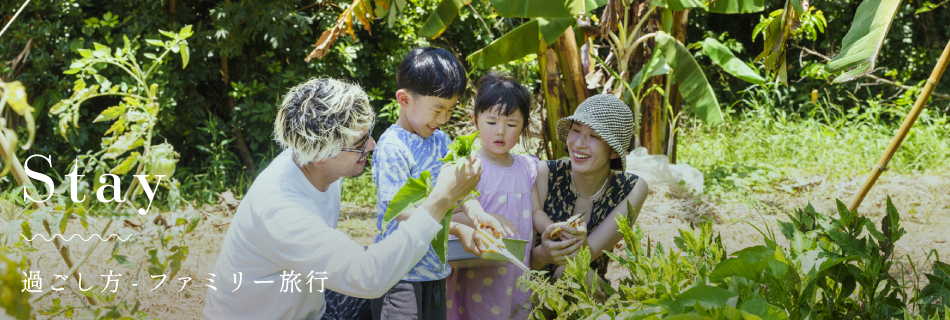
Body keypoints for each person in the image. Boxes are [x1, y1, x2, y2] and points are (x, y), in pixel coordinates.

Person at [201, 78, 482, 320]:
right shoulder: (282, 210)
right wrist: (440, 200)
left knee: (395, 283)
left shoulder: (313, 164)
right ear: (322, 156)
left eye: (368, 136)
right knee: (383, 279)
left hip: (309, 307)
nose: (372, 146)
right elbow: (369, 277)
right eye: (360, 144)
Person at [370, 47, 508, 320]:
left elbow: (458, 193)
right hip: (399, 275)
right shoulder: (393, 147)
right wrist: (457, 229)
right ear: (404, 99)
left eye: (450, 109)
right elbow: (400, 212)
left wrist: (478, 215)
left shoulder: (441, 141)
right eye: (437, 109)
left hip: (434, 270)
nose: (443, 119)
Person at [444, 73, 537, 320]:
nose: (500, 131)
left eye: (511, 124)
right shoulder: (467, 167)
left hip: (516, 275)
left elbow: (536, 213)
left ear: (524, 126)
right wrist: (484, 217)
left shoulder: (529, 169)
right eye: (492, 122)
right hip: (474, 270)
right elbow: (446, 214)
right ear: (475, 121)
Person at [530, 94, 649, 284]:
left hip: (585, 299)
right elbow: (521, 264)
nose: (579, 143)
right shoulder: (545, 173)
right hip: (529, 291)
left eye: (594, 136)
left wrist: (578, 242)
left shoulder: (631, 189)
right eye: (576, 130)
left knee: (572, 274)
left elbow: (582, 259)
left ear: (613, 152)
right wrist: (543, 255)